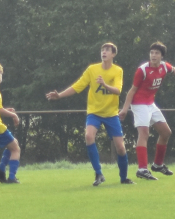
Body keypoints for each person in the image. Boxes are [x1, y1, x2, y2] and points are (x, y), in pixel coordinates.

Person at [46, 42, 130, 187]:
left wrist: (104, 84)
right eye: (102, 50)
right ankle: (98, 173)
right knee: (89, 136)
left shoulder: (118, 70)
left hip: (111, 114)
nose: (104, 52)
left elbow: (118, 90)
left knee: (121, 148)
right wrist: (59, 95)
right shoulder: (92, 69)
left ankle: (124, 178)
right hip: (94, 112)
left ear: (113, 54)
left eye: (107, 50)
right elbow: (77, 86)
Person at [120, 41, 175, 180]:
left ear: (162, 56)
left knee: (166, 133)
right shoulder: (142, 70)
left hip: (150, 104)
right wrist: (124, 109)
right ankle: (142, 169)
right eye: (152, 53)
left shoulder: (164, 66)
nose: (153, 55)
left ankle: (158, 165)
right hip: (139, 104)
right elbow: (132, 90)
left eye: (157, 53)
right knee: (144, 133)